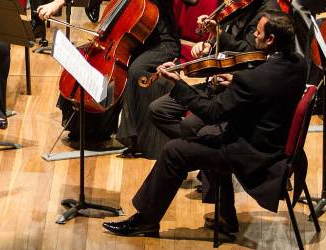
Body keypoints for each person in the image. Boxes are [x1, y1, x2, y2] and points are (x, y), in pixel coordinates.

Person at [103, 13, 304, 239]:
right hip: (274, 141)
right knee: (205, 137)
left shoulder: (254, 80)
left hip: (252, 152)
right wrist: (236, 83)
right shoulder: (298, 63)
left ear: (270, 39)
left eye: (258, 32)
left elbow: (212, 112)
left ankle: (145, 222)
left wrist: (178, 84)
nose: (255, 35)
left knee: (174, 151)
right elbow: (267, 91)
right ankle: (226, 217)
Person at [38, 0, 199, 156]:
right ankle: (90, 129)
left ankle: (134, 138)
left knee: (136, 70)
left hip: (161, 43)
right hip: (129, 41)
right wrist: (59, 1)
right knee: (85, 59)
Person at [148, 0, 278, 142]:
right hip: (216, 81)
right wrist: (208, 45)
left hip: (234, 88)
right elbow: (224, 37)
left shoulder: (268, 14)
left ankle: (205, 149)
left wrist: (218, 33)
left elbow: (249, 53)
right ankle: (203, 147)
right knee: (158, 110)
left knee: (190, 126)